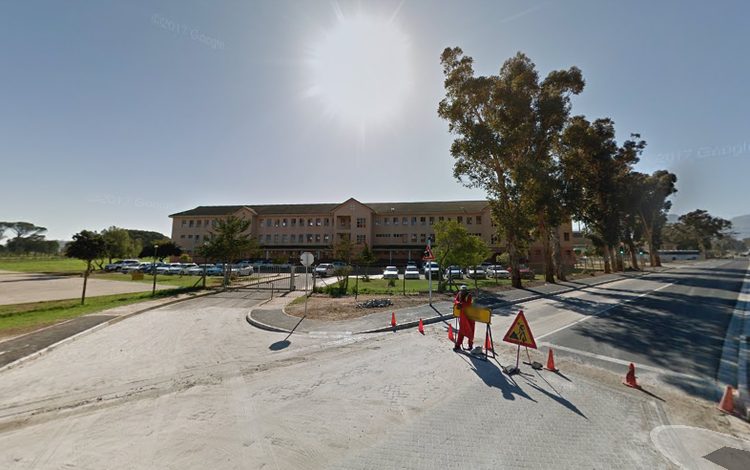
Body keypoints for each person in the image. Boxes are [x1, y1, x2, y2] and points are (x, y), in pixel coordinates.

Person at [453, 285, 475, 351]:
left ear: (466, 291)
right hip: (463, 315)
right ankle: (458, 344)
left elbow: (468, 304)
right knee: (461, 330)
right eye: (462, 291)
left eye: (464, 291)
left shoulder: (469, 296)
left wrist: (461, 304)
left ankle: (470, 345)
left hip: (470, 315)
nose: (463, 292)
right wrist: (457, 303)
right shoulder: (459, 294)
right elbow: (455, 300)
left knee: (470, 330)